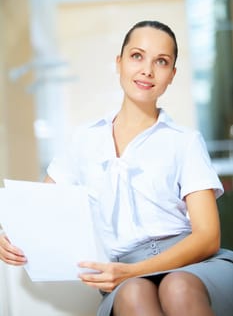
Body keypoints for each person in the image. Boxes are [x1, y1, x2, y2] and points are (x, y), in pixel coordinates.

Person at [0, 20, 233, 316]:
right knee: (134, 293)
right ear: (119, 62)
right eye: (137, 56)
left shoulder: (185, 142)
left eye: (161, 62)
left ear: (172, 75)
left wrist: (134, 270)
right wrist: (8, 236)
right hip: (120, 270)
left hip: (192, 265)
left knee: (177, 287)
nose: (147, 70)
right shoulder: (83, 140)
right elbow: (44, 210)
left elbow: (207, 235)